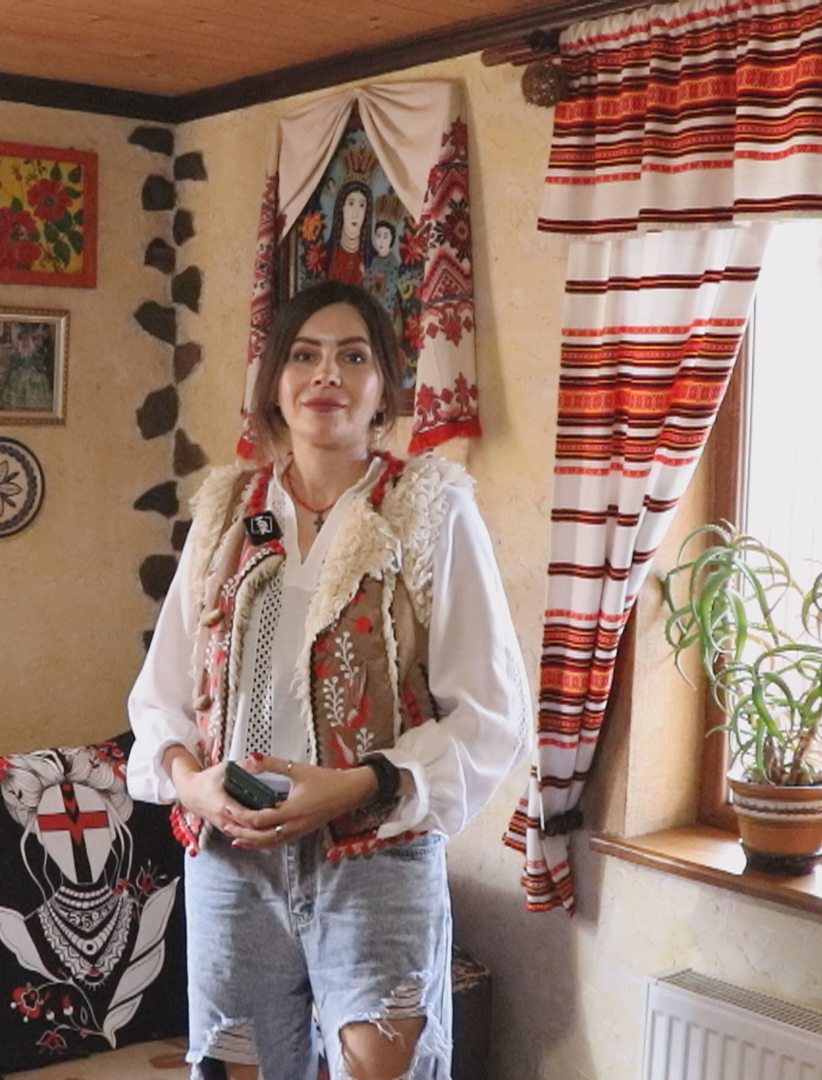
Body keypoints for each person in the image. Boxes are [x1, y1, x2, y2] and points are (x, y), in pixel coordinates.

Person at [127, 281, 528, 1080]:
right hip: (231, 863)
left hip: (377, 863)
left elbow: (490, 712)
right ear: (275, 382)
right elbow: (161, 696)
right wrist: (193, 785)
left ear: (383, 388)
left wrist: (357, 786)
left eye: (353, 357)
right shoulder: (226, 512)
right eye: (304, 356)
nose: (326, 376)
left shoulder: (430, 511)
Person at [327, 180, 371, 287]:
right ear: (342, 207)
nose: (355, 213)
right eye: (351, 203)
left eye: (361, 205)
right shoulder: (325, 255)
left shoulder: (372, 258)